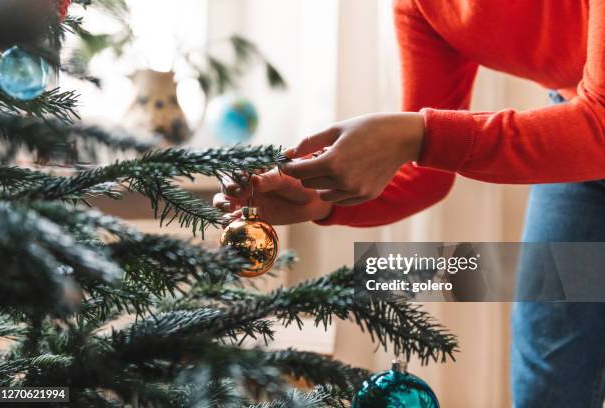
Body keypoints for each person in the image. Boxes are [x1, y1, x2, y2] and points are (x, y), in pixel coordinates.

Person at [214, 1, 605, 406]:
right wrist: (321, 200)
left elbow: (601, 124)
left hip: (593, 126)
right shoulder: (422, 7)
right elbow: (424, 175)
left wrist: (416, 135)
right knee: (549, 373)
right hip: (578, 130)